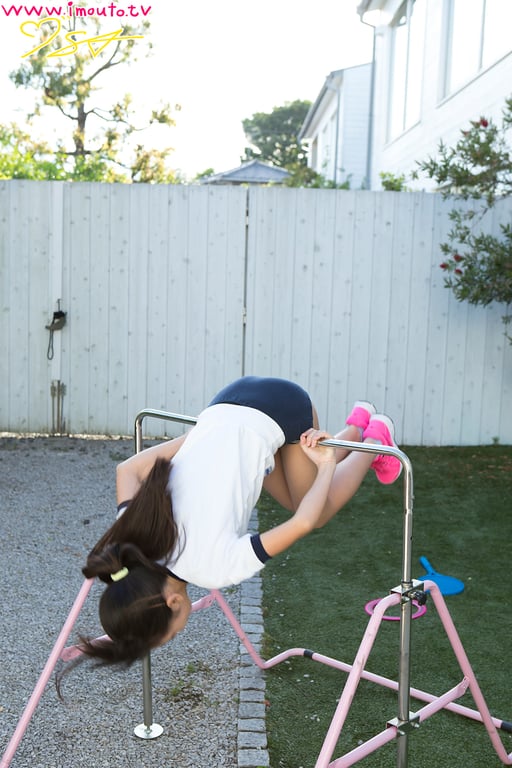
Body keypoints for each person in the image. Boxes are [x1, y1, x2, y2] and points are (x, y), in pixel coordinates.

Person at [80, 376, 401, 666]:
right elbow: (126, 470)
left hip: (283, 408)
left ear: (173, 602)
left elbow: (303, 522)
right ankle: (356, 425)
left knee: (318, 509)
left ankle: (374, 441)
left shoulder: (214, 569)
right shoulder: (133, 536)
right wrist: (202, 436)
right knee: (297, 494)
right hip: (225, 401)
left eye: (174, 633)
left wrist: (327, 465)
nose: (179, 632)